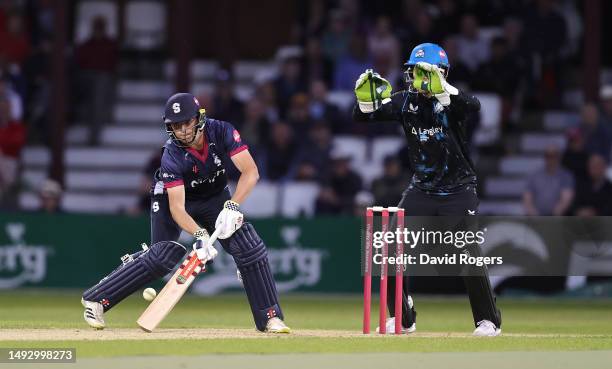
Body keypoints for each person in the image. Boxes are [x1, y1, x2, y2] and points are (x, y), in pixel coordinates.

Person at [81, 93, 290, 333]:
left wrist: (233, 205)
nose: (181, 130)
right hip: (174, 198)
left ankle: (270, 318)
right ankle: (96, 299)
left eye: (186, 123)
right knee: (162, 258)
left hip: (214, 196)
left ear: (199, 118)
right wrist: (200, 235)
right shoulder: (171, 154)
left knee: (249, 246)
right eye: (175, 125)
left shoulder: (222, 131)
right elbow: (177, 208)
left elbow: (250, 172)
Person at [353, 43, 502, 336]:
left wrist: (444, 89)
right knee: (389, 247)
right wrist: (364, 102)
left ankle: (488, 320)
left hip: (459, 189)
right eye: (413, 71)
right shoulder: (406, 101)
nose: (416, 78)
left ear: (441, 73)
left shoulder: (451, 102)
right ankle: (404, 317)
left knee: (468, 250)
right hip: (422, 189)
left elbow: (473, 105)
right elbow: (362, 117)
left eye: (423, 72)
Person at [523, 145, 574, 216]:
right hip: (535, 218)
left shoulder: (566, 176)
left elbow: (565, 200)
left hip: (557, 218)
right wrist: (535, 216)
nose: (550, 159)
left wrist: (552, 217)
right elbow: (527, 199)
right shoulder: (534, 175)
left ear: (558, 157)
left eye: (553, 155)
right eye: (547, 155)